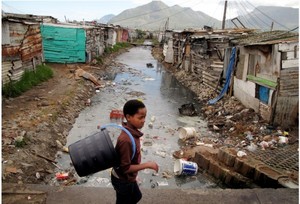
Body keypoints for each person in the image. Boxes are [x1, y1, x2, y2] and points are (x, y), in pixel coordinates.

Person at [111, 99, 159, 204]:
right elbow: (126, 168)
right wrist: (147, 165)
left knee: (137, 196)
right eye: (140, 117)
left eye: (145, 117)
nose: (143, 120)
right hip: (122, 180)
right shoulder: (126, 140)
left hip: (128, 178)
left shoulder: (132, 132)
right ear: (128, 117)